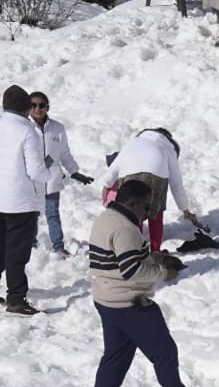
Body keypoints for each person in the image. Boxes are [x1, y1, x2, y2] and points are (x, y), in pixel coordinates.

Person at [87, 178, 210, 387]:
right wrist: (163, 272)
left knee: (115, 358)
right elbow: (132, 271)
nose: (148, 212)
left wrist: (158, 257)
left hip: (107, 300)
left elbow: (122, 258)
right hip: (130, 303)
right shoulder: (125, 228)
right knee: (164, 352)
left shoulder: (106, 218)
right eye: (145, 207)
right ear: (131, 203)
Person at [104, 128, 206, 252]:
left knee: (134, 213)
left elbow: (112, 172)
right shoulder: (168, 149)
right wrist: (185, 210)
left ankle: (135, 250)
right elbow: (177, 186)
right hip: (156, 177)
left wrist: (106, 188)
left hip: (129, 177)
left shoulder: (132, 144)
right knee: (156, 214)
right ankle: (155, 250)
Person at [1, 85, 49, 317]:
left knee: (0, 250)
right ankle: (16, 301)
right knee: (16, 254)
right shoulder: (27, 131)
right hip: (20, 202)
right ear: (26, 108)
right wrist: (51, 175)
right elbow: (36, 171)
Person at [28, 92, 91, 258]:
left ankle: (58, 246)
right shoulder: (24, 127)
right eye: (33, 105)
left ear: (47, 107)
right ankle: (31, 247)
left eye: (41, 105)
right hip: (31, 180)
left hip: (51, 180)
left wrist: (74, 172)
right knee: (30, 216)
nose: (37, 108)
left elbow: (64, 154)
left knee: (53, 214)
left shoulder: (57, 128)